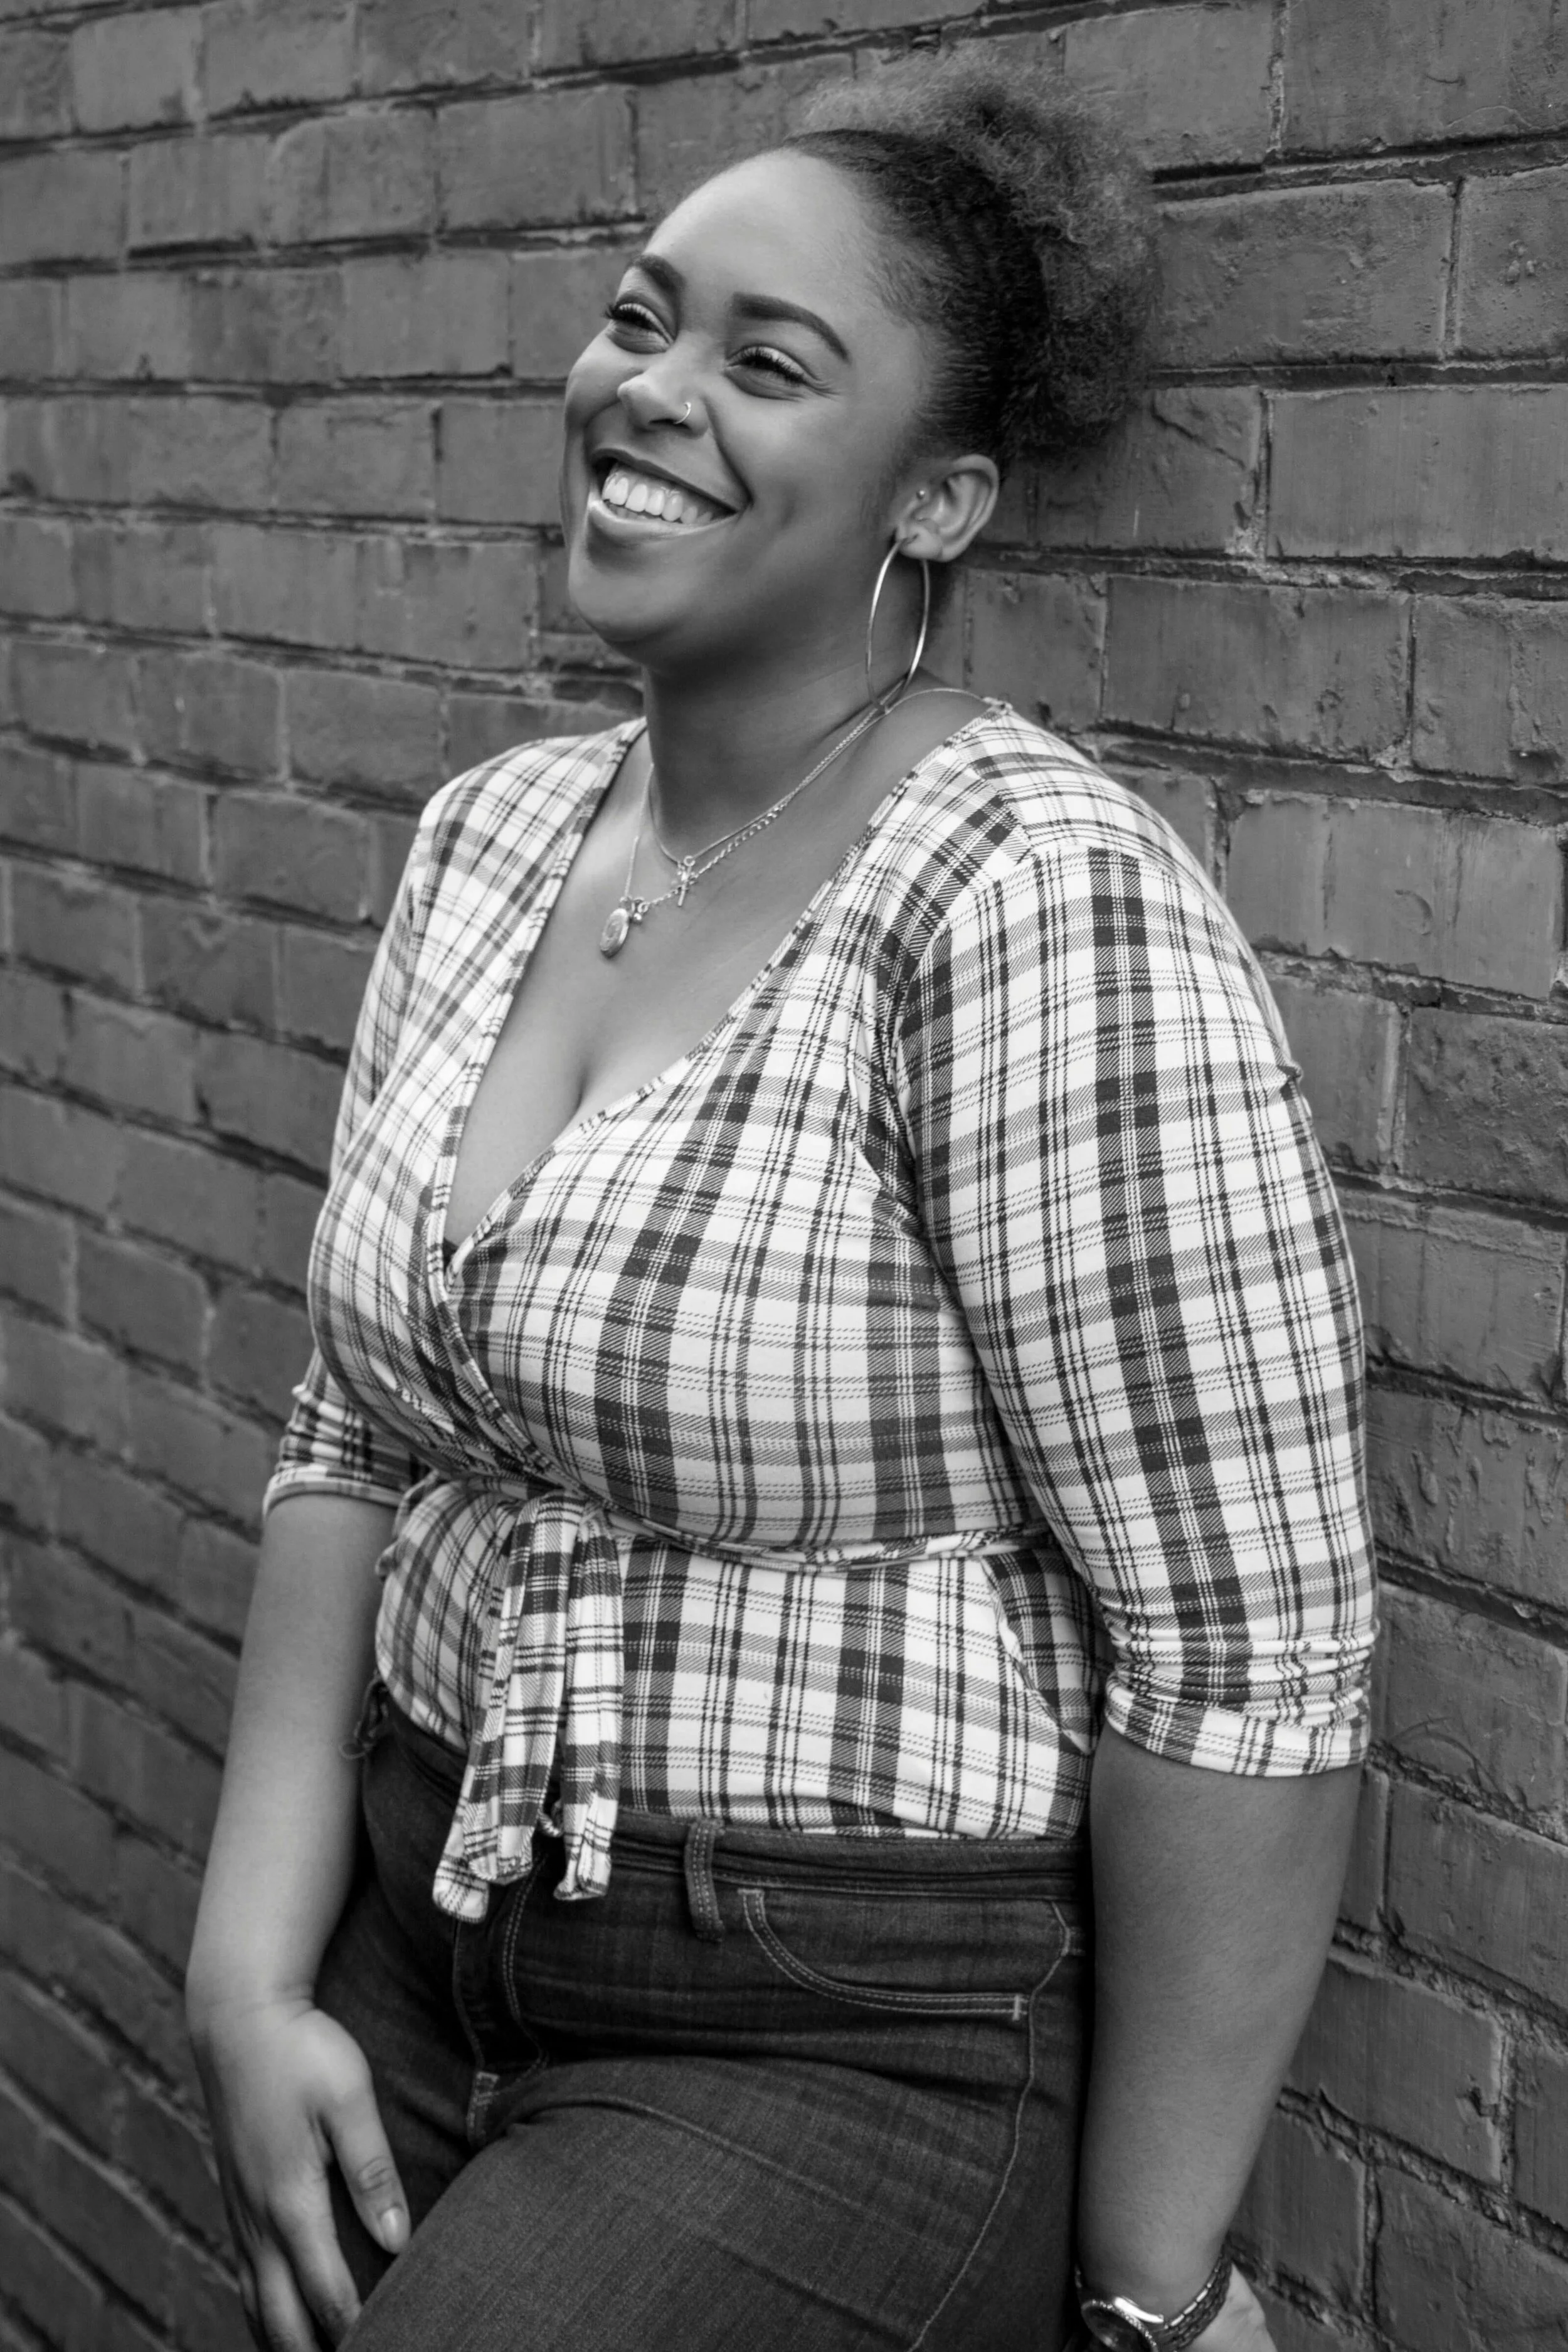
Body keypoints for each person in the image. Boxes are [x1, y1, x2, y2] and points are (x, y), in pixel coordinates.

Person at [186, 51, 1376, 2352]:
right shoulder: (490, 841)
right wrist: (246, 1969)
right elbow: (350, 1437)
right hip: (414, 1937)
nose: (649, 389)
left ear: (936, 499)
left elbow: (1246, 1649)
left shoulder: (1022, 892)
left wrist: (1141, 2298)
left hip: (838, 2026)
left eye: (766, 361)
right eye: (641, 319)